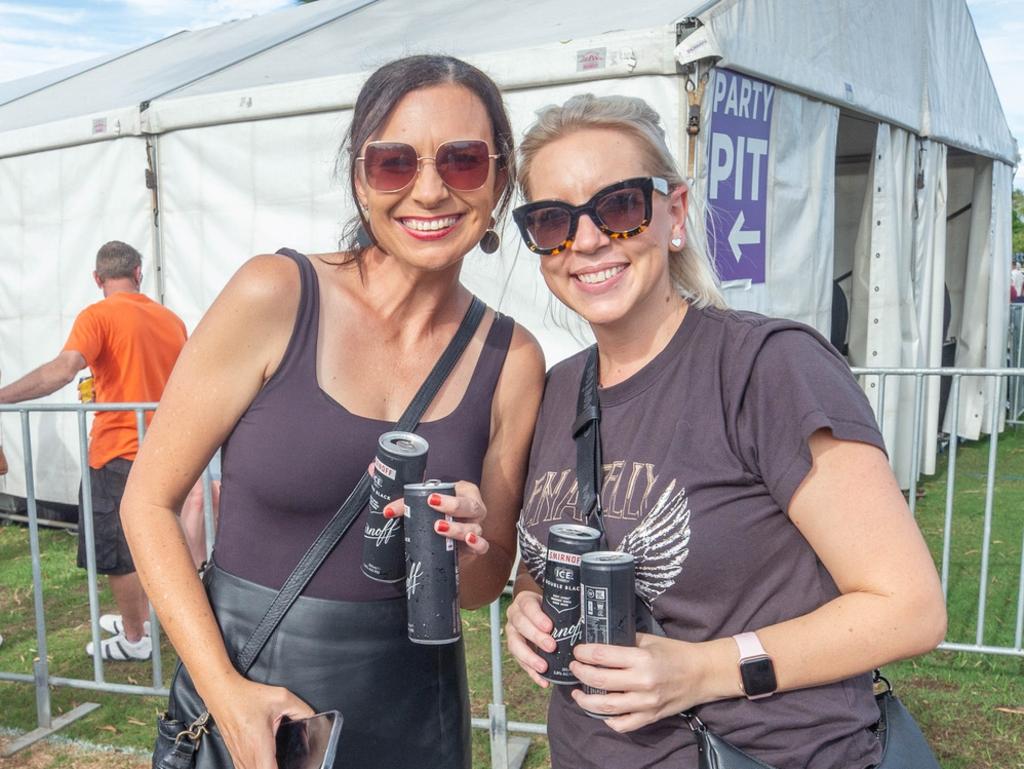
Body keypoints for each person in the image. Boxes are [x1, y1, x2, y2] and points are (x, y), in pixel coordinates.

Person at [120, 54, 544, 769]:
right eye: (394, 162)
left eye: (464, 161)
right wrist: (225, 694)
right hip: (253, 704)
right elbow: (147, 503)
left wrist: (469, 545)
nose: (430, 190)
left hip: (415, 714)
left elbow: (478, 588)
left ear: (499, 180)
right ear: (360, 176)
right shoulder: (275, 295)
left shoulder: (513, 358)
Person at [504, 94, 947, 769]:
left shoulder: (768, 367)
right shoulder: (559, 387)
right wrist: (530, 607)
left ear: (674, 213)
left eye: (619, 207)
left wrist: (704, 669)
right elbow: (552, 558)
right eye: (552, 220)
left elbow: (908, 607)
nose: (586, 239)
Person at [0, 241, 187, 661]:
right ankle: (143, 620)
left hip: (118, 449)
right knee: (155, 541)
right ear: (139, 273)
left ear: (97, 279)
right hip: (166, 448)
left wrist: (3, 396)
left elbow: (61, 370)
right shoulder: (171, 320)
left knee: (117, 550)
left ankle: (136, 639)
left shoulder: (97, 314)